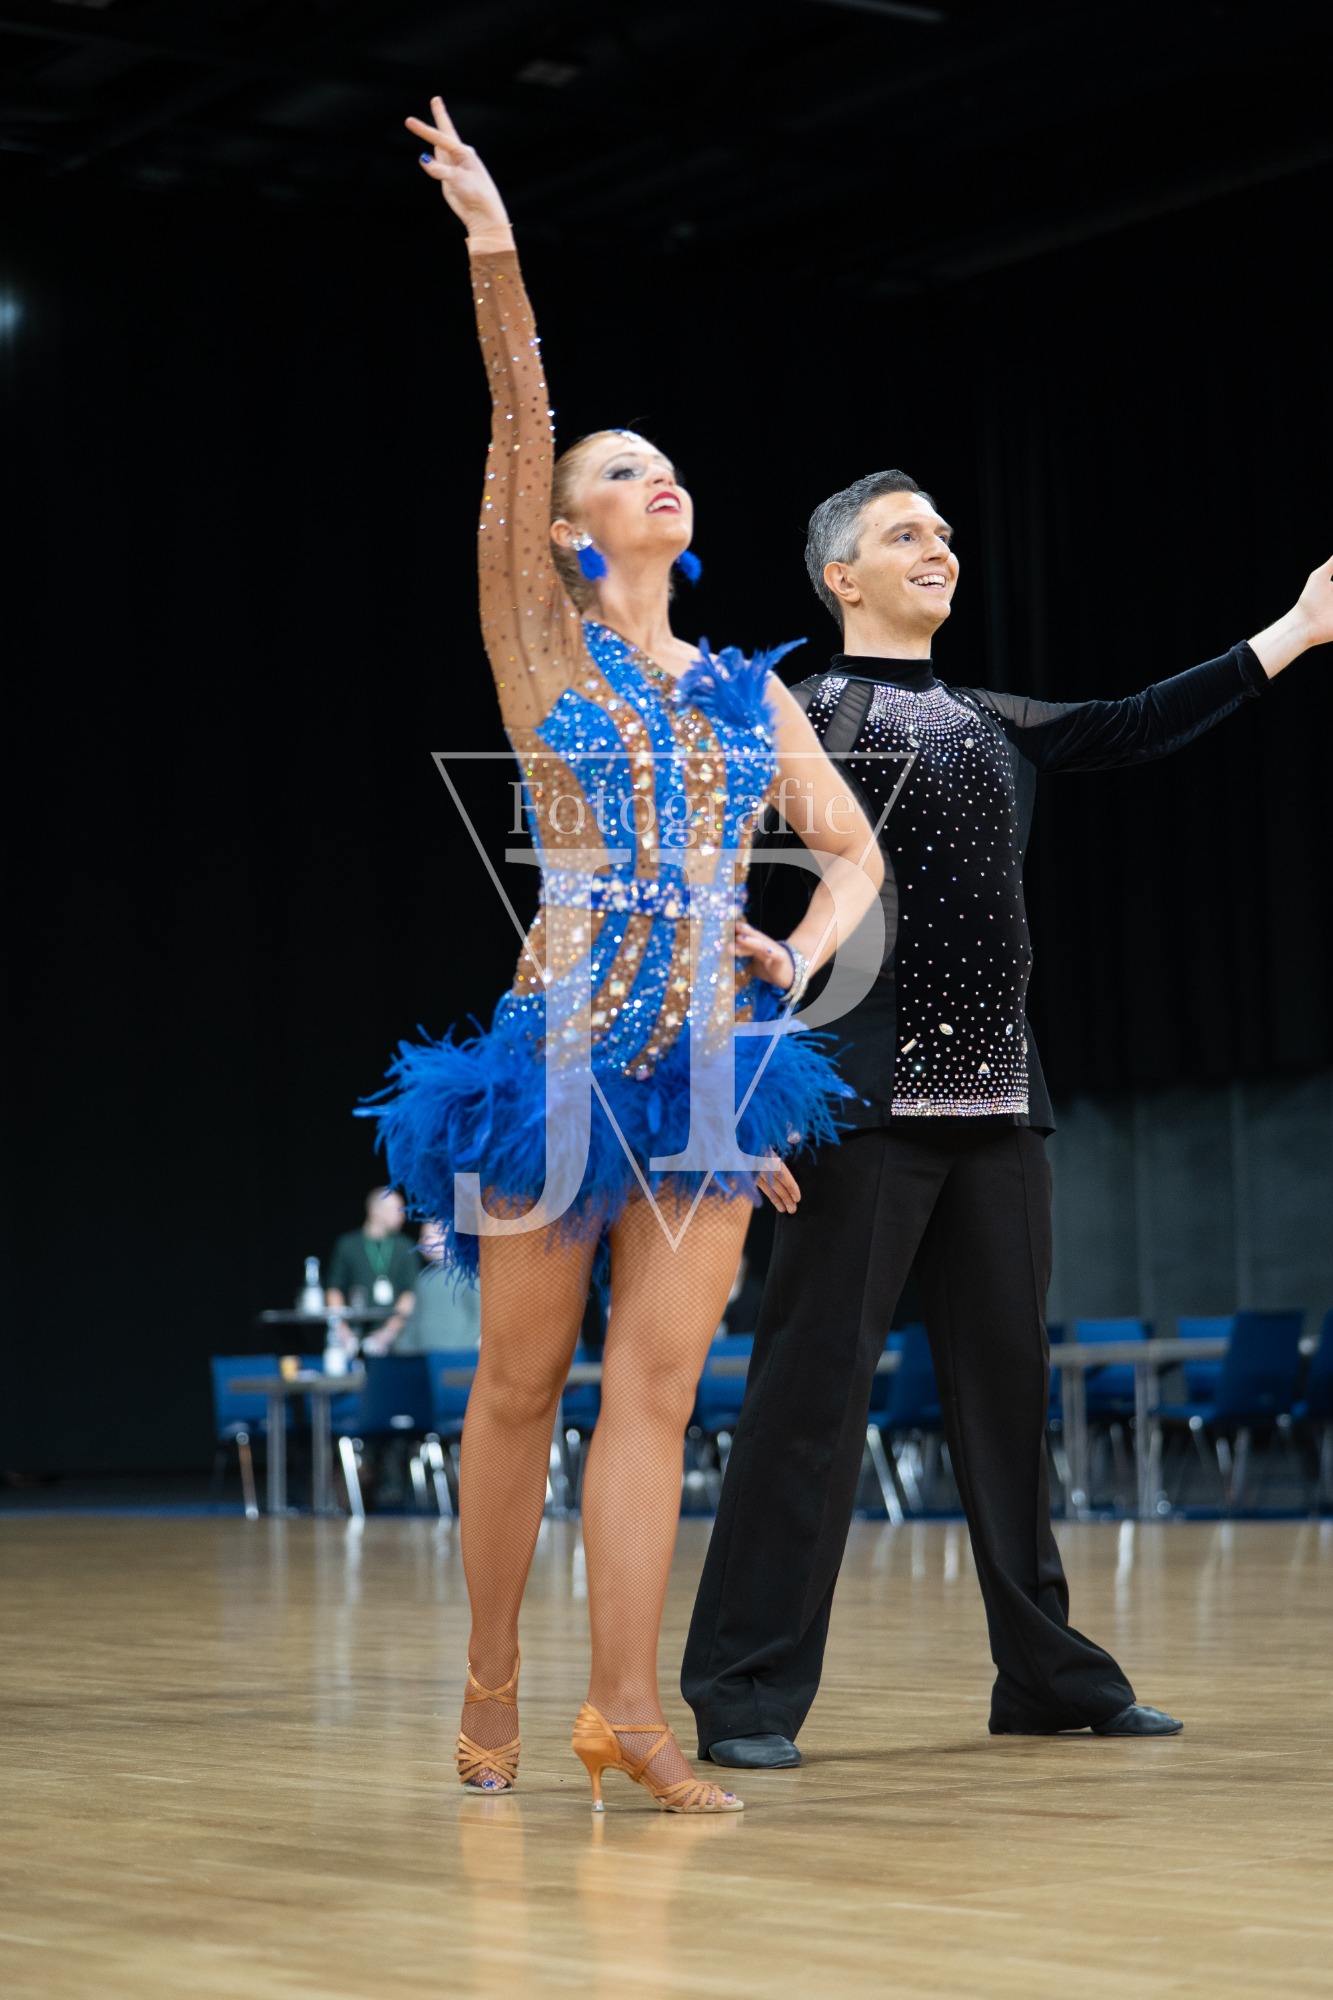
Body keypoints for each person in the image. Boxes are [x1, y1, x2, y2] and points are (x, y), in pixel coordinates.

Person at [360, 99, 884, 1814]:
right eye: (616, 467)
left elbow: (853, 852)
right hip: (556, 1060)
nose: (651, 473)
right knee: (521, 1384)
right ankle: (490, 1678)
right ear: (569, 532)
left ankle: (626, 1712)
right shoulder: (544, 649)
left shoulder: (749, 692)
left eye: (662, 461)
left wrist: (793, 950)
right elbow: (518, 427)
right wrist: (495, 251)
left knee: (658, 1395)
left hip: (711, 1074)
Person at [682, 469, 1333, 1766]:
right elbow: (720, 900)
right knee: (810, 1398)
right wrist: (730, 1096)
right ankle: (743, 1690)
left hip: (997, 1098)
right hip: (855, 1100)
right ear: (841, 577)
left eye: (942, 530)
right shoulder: (800, 712)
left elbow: (1138, 722)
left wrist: (1299, 629)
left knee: (1005, 1399)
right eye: (903, 533)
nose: (938, 546)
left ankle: (1043, 1674)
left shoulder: (990, 717)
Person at [326, 1187, 419, 1357]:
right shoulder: (347, 1245)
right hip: (354, 1334)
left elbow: (409, 1294)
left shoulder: (405, 1247)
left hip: (396, 1338)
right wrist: (343, 1331)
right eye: (396, 1210)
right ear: (375, 1211)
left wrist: (387, 1333)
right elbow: (334, 1289)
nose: (402, 1215)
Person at [396, 1220, 482, 1353]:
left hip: (458, 1356)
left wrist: (466, 1348)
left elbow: (480, 1316)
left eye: (427, 1236)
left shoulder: (467, 1275)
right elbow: (414, 1320)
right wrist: (402, 1347)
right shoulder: (423, 1279)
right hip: (425, 1356)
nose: (421, 1242)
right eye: (422, 1237)